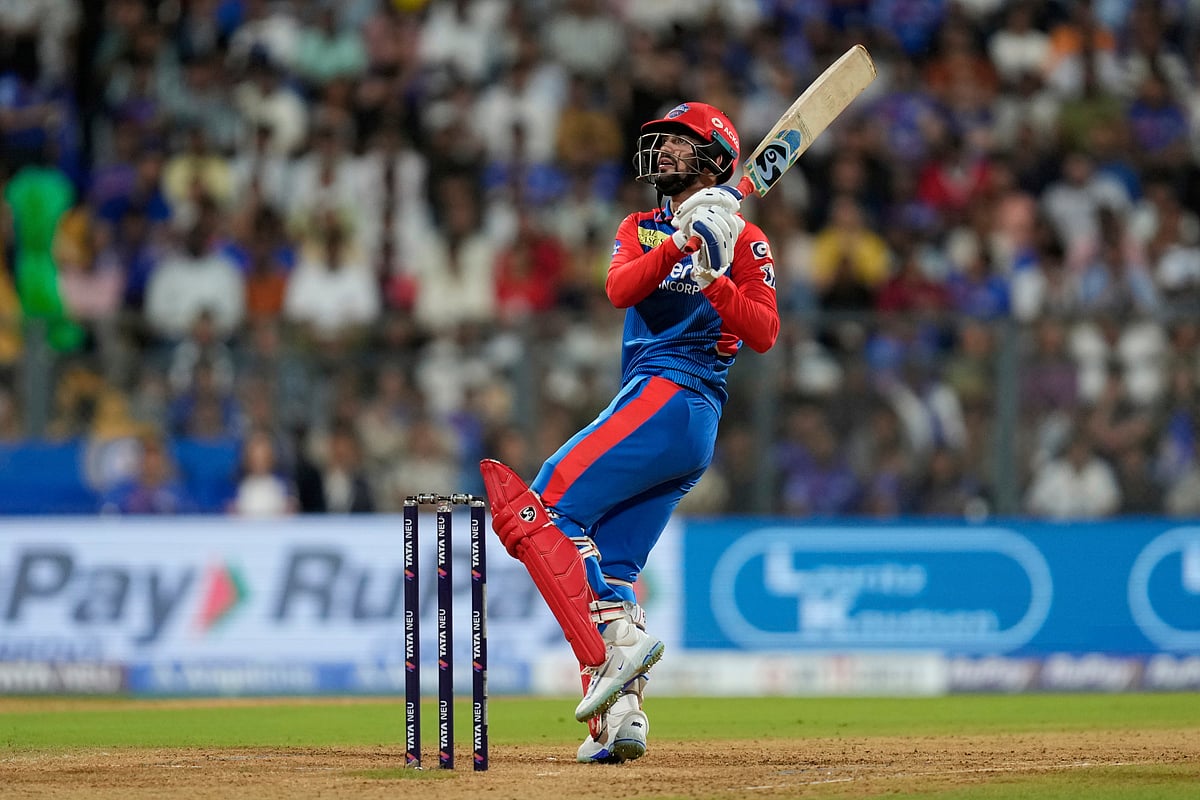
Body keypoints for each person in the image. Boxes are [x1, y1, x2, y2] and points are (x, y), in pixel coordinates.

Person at [479, 102, 778, 764]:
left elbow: (763, 332)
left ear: (714, 158)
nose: (663, 152)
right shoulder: (640, 228)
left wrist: (718, 278)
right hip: (663, 411)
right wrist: (680, 242)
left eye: (678, 143)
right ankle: (625, 719)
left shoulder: (747, 240)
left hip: (679, 397)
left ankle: (615, 646)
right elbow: (619, 288)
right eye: (660, 143)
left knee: (541, 506)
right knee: (608, 564)